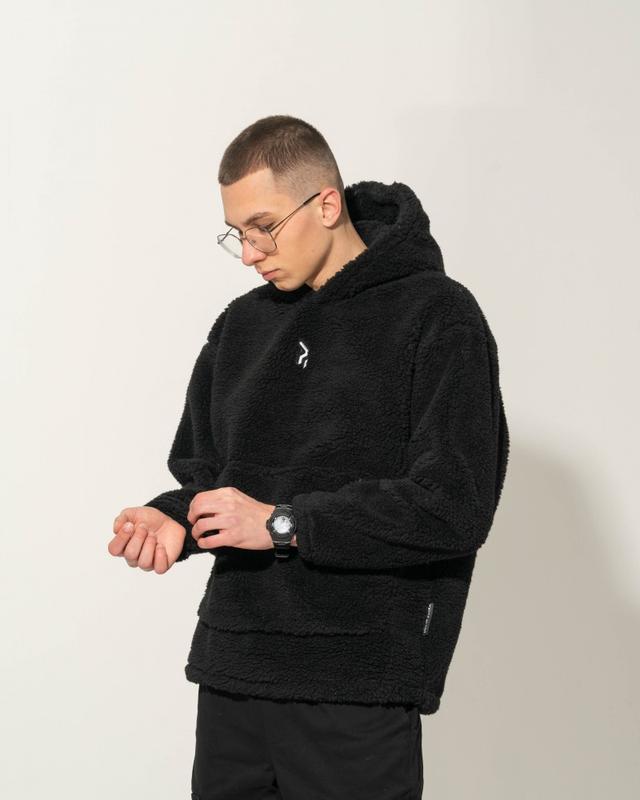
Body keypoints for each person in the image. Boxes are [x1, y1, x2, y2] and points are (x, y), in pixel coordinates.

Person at [108, 114, 510, 799]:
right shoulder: (242, 325)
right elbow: (210, 477)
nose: (249, 252)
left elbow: (454, 506)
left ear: (326, 204)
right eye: (237, 233)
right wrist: (175, 518)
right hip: (232, 674)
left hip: (354, 687)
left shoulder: (437, 316)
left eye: (263, 226)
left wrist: (280, 523)